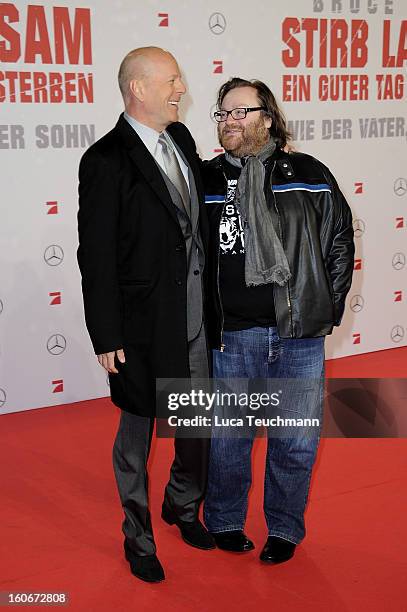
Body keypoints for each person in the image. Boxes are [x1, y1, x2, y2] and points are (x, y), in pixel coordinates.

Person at [202, 78, 354, 563]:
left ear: (267, 117)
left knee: (294, 444)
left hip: (296, 337)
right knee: (228, 442)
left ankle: (284, 529)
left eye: (239, 112)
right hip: (231, 336)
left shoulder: (307, 173)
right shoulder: (204, 179)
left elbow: (338, 242)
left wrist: (323, 307)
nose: (229, 121)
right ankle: (224, 520)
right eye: (222, 113)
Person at [77, 47, 215, 584]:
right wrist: (106, 333)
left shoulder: (180, 140)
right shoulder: (105, 160)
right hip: (139, 324)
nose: (181, 88)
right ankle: (138, 537)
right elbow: (97, 254)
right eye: (172, 80)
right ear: (138, 88)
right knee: (137, 435)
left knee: (196, 423)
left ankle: (182, 505)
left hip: (198, 316)